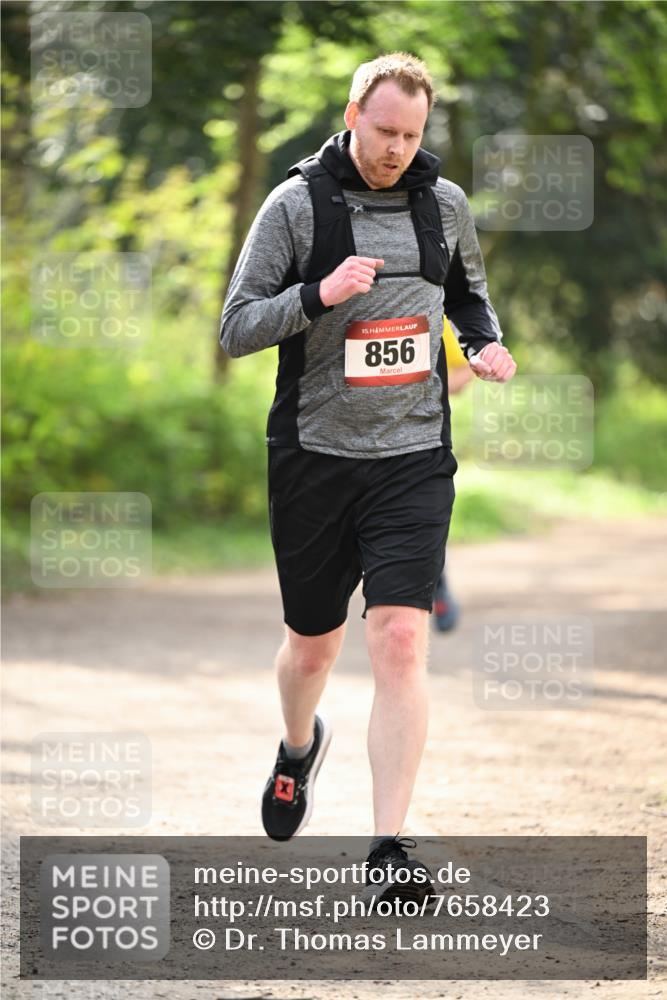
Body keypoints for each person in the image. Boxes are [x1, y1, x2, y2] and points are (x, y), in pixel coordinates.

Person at [220, 52, 516, 901]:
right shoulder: (295, 206)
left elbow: (469, 297)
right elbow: (237, 328)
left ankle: (389, 849)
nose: (395, 147)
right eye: (383, 130)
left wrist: (484, 344)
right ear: (352, 114)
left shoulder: (444, 205)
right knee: (313, 646)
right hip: (314, 458)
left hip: (412, 458)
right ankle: (298, 744)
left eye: (411, 134)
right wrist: (318, 295)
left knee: (397, 639)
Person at [433, 317, 474, 633]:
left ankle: (438, 587)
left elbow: (463, 370)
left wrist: (416, 392)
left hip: (421, 440)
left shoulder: (432, 306)